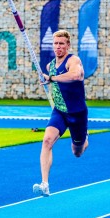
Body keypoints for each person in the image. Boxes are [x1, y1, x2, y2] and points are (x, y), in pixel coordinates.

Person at [33, 30, 89, 197]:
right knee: (47, 140)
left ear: (68, 45)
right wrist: (46, 79)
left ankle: (84, 138)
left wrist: (52, 78)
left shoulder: (73, 60)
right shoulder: (50, 66)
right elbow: (52, 80)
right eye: (56, 43)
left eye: (61, 43)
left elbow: (76, 75)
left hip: (77, 114)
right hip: (60, 112)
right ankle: (45, 184)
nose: (58, 46)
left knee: (77, 152)